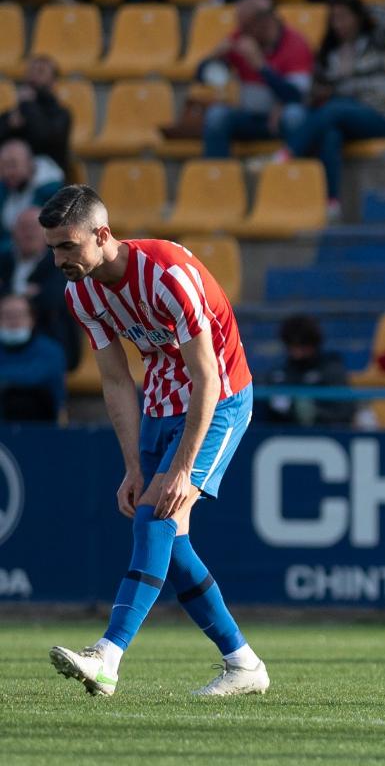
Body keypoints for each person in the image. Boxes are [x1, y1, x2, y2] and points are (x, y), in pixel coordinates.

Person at [44, 185, 269, 698]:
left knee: (155, 519)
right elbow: (117, 380)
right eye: (54, 248)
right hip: (160, 403)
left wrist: (183, 469)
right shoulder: (81, 293)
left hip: (221, 398)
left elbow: (207, 375)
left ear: (102, 235)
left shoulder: (167, 273)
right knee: (171, 540)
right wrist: (133, 468)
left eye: (68, 247)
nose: (59, 259)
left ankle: (107, 656)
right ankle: (244, 663)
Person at [272, 0, 385, 220]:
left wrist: (351, 1)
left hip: (379, 115)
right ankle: (332, 201)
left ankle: (288, 153)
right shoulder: (328, 56)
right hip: (344, 119)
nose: (339, 24)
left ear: (357, 17)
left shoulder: (374, 42)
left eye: (344, 17)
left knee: (335, 109)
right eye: (334, 18)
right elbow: (314, 93)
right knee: (330, 134)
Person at [199, 0, 312, 160]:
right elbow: (202, 76)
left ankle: (294, 177)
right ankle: (219, 180)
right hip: (250, 117)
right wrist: (212, 58)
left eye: (245, 26)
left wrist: (261, 67)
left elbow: (296, 96)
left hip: (279, 119)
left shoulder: (296, 43)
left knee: (294, 115)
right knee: (216, 116)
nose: (240, 31)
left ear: (264, 22)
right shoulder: (241, 39)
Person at [0, 206, 78, 370]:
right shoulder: (4, 261)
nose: (28, 233)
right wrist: (28, 293)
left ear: (47, 234)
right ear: (13, 232)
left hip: (47, 335)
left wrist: (12, 295)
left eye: (34, 228)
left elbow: (56, 299)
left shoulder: (62, 262)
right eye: (23, 227)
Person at [257, 313, 356, 427]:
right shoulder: (279, 373)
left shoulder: (331, 370)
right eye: (293, 345)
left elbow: (345, 411)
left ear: (314, 344)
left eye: (303, 346)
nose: (298, 352)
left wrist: (315, 413)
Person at [0, 55, 72, 176]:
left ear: (54, 82)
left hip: (48, 180)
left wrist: (28, 105)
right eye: (30, 71)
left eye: (41, 71)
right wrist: (9, 126)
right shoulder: (15, 114)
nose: (33, 76)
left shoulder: (61, 114)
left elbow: (45, 138)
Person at [0, 293, 66, 422]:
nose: (13, 321)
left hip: (42, 427)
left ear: (32, 319)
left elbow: (36, 377)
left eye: (19, 315)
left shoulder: (51, 350)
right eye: (7, 315)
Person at [0, 138, 63, 255]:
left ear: (30, 163)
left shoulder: (53, 193)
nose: (8, 172)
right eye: (4, 166)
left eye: (13, 165)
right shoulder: (4, 189)